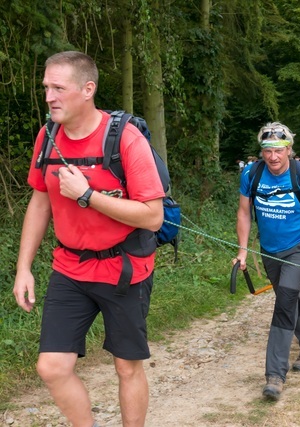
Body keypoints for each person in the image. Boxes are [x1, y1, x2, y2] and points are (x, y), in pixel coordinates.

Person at [12, 51, 164, 427]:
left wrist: (87, 195)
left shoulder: (124, 138)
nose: (49, 97)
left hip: (123, 269)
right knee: (51, 367)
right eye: (46, 87)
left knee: (127, 368)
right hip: (70, 268)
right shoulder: (47, 137)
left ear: (87, 89)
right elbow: (40, 202)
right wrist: (23, 267)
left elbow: (153, 215)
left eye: (58, 88)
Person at [235, 122, 300, 401]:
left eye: (278, 150)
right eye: (267, 150)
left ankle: (275, 375)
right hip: (269, 251)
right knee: (289, 299)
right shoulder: (251, 174)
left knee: (284, 299)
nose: (273, 157)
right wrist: (243, 250)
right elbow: (244, 213)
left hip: (299, 248)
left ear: (288, 149)